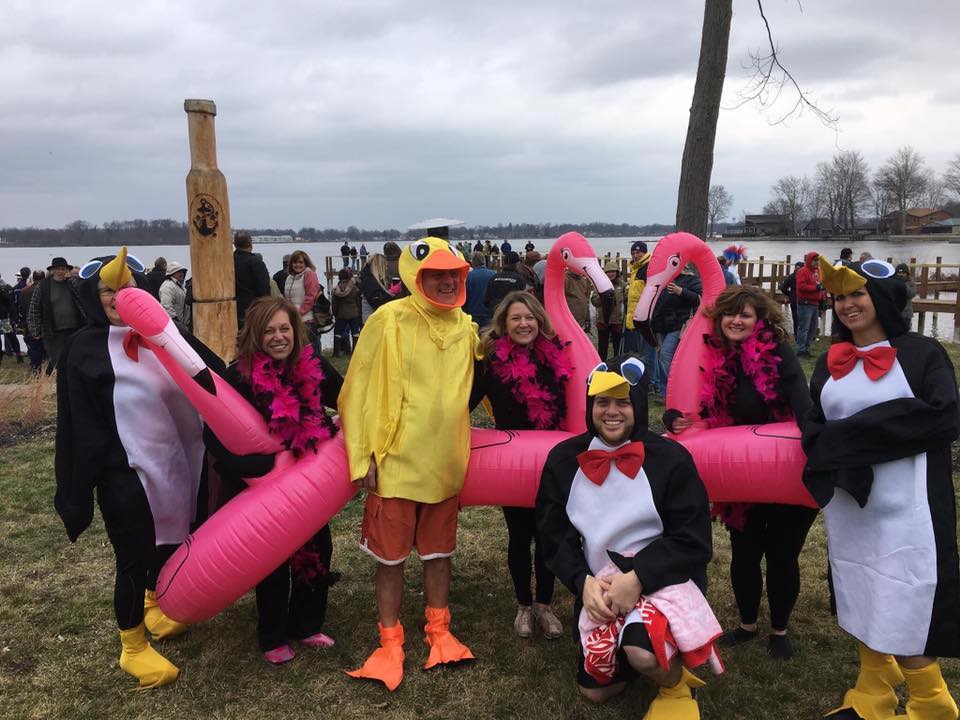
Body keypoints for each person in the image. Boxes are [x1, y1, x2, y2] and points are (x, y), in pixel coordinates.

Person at [802, 257, 960, 720]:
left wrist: (849, 436)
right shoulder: (830, 361)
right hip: (851, 507)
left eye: (857, 294)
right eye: (840, 297)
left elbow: (942, 417)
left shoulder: (922, 353)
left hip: (908, 509)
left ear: (884, 299)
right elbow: (813, 424)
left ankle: (933, 704)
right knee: (857, 587)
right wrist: (833, 443)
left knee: (904, 597)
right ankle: (873, 687)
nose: (847, 305)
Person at [54, 249, 218, 688]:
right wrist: (75, 490)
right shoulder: (83, 349)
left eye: (125, 289)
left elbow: (214, 375)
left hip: (178, 463)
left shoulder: (166, 333)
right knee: (132, 556)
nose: (116, 297)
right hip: (123, 471)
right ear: (93, 295)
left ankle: (154, 602)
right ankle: (133, 645)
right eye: (107, 290)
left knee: (172, 541)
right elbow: (74, 426)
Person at [536, 355, 721, 718]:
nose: (612, 412)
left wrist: (638, 578)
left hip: (663, 583)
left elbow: (694, 541)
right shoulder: (563, 460)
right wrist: (582, 582)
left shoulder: (671, 460)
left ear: (637, 405)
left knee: (642, 653)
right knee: (595, 693)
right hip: (600, 585)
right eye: (602, 402)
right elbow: (552, 535)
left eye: (622, 402)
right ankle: (636, 649)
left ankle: (676, 685)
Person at [340, 237, 477, 691]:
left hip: (444, 464)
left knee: (440, 555)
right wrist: (363, 455)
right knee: (391, 559)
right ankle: (390, 640)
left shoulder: (466, 327)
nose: (445, 282)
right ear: (415, 278)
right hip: (395, 463)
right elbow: (356, 387)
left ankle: (439, 630)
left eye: (452, 275)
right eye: (435, 274)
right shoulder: (389, 319)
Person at [663, 285, 815, 660]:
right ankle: (747, 624)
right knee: (744, 553)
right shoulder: (711, 356)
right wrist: (673, 419)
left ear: (760, 319)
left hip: (784, 469)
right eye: (730, 314)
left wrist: (815, 441)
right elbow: (693, 403)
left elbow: (799, 394)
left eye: (745, 314)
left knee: (782, 554)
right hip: (737, 472)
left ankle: (779, 629)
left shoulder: (777, 352)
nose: (736, 320)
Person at [204, 296, 342, 664]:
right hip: (258, 484)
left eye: (284, 329)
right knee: (272, 561)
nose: (278, 337)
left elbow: (347, 396)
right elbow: (212, 436)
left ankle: (307, 624)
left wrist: (343, 427)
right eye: (269, 331)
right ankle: (273, 635)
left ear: (295, 331)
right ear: (255, 335)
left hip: (308, 480)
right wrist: (255, 467)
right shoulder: (239, 376)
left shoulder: (314, 366)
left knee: (317, 550)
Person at [471, 291, 570, 640]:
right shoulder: (490, 362)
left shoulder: (556, 356)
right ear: (504, 324)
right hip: (510, 463)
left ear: (539, 321)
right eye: (516, 318)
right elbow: (464, 402)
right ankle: (523, 605)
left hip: (553, 461)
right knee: (519, 534)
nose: (524, 324)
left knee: (548, 535)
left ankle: (544, 604)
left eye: (529, 317)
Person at [27, 256, 86, 375]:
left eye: (63, 269)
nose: (60, 272)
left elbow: (82, 302)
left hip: (75, 330)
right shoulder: (42, 286)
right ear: (52, 270)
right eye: (58, 269)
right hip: (53, 332)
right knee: (58, 362)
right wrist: (35, 331)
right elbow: (34, 309)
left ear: (67, 271)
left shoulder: (72, 284)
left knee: (75, 360)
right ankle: (59, 385)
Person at [650, 264, 701, 398]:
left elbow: (700, 299)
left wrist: (681, 291)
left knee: (665, 356)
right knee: (664, 356)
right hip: (662, 324)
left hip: (678, 324)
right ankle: (666, 389)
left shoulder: (691, 280)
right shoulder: (664, 279)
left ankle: (668, 391)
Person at [233, 231, 271, 327]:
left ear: (235, 244)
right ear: (250, 243)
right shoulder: (255, 262)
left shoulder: (228, 261)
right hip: (252, 309)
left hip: (231, 308)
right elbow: (264, 288)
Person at [283, 250, 322, 342]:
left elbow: (311, 296)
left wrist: (300, 312)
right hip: (293, 318)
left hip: (306, 319)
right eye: (295, 262)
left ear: (306, 263)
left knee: (307, 348)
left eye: (301, 262)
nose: (298, 265)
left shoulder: (309, 274)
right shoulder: (289, 277)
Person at [592, 261, 625, 361]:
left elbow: (627, 300)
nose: (611, 274)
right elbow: (594, 301)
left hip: (617, 321)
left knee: (617, 346)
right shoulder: (600, 284)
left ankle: (616, 366)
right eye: (608, 272)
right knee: (602, 346)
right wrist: (602, 297)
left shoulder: (622, 285)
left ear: (617, 272)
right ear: (605, 273)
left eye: (613, 271)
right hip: (603, 320)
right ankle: (601, 365)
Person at [795, 252, 825, 357]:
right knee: (804, 328)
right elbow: (801, 287)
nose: (817, 262)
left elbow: (821, 286)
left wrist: (822, 300)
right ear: (809, 260)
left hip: (815, 303)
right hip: (805, 304)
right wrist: (816, 288)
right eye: (815, 260)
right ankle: (801, 350)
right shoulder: (802, 271)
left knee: (813, 328)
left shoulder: (817, 272)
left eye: (818, 260)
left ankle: (806, 349)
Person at [19, 270, 47, 373]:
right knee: (45, 350)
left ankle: (35, 368)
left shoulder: (24, 291)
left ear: (33, 278)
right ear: (44, 278)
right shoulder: (46, 290)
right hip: (45, 323)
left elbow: (21, 308)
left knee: (33, 348)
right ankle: (46, 369)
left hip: (29, 322)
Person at [358, 253, 398, 324]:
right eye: (385, 266)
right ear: (379, 266)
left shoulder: (372, 279)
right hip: (371, 322)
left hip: (375, 320)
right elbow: (376, 302)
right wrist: (391, 292)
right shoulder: (369, 281)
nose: (386, 268)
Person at [484, 250, 526, 316]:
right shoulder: (519, 279)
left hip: (496, 316)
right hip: (512, 315)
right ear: (517, 263)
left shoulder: (494, 278)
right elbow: (523, 300)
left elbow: (486, 301)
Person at [331, 269, 362, 356]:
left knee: (337, 333)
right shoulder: (355, 288)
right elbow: (359, 302)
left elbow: (334, 304)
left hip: (341, 314)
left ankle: (336, 353)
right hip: (354, 313)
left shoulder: (337, 290)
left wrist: (335, 314)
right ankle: (355, 352)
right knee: (355, 333)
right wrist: (359, 313)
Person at [464, 251, 496, 329]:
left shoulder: (468, 276)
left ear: (473, 262)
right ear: (484, 261)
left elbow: (465, 295)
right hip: (489, 313)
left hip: (473, 313)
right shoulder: (494, 274)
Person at [779, 260, 804, 341]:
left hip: (793, 298)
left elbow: (783, 288)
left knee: (795, 318)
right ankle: (802, 335)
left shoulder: (791, 277)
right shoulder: (803, 277)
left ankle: (796, 335)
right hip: (803, 299)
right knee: (803, 318)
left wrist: (789, 293)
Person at [895, 263, 916, 328]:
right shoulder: (892, 282)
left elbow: (911, 294)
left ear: (907, 274)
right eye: (899, 273)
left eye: (903, 273)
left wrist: (903, 284)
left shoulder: (910, 282)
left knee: (905, 333)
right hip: (894, 313)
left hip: (906, 314)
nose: (901, 275)